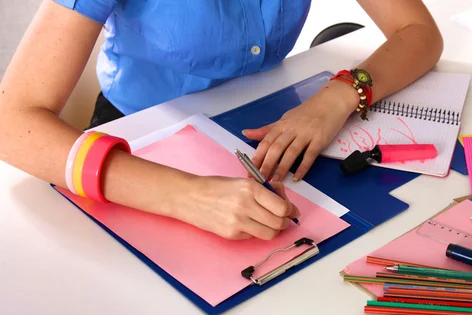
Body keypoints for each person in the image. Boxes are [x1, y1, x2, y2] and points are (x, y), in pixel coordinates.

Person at [0, 0, 443, 240]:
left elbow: (418, 33)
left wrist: (339, 96)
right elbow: (11, 124)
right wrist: (185, 196)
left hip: (267, 123)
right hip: (137, 140)